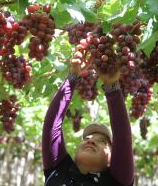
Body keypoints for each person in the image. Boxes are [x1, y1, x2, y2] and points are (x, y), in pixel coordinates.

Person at [42, 58, 134, 186]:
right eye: (87, 138)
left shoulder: (116, 181)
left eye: (103, 141)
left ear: (111, 160)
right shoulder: (59, 170)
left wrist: (112, 87)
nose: (91, 140)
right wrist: (73, 75)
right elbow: (52, 127)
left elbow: (122, 137)